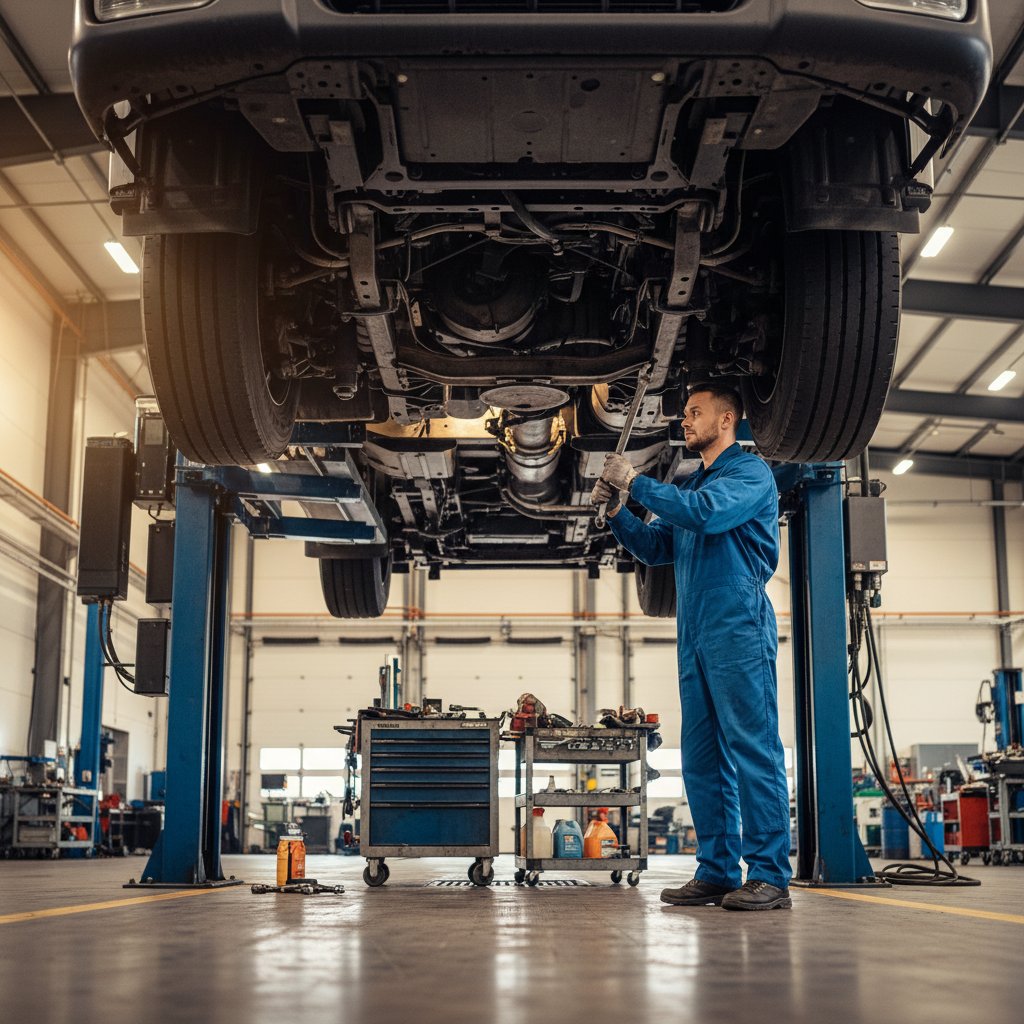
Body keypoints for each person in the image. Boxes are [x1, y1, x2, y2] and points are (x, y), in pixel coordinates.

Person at [591, 383, 792, 911]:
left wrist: (634, 482)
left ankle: (770, 875)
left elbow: (704, 515)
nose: (685, 420)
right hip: (696, 631)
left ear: (727, 420)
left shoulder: (748, 474)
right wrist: (617, 514)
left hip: (738, 625)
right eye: (685, 413)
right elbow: (656, 547)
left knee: (753, 748)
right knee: (702, 759)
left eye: (694, 412)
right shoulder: (691, 485)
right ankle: (718, 870)